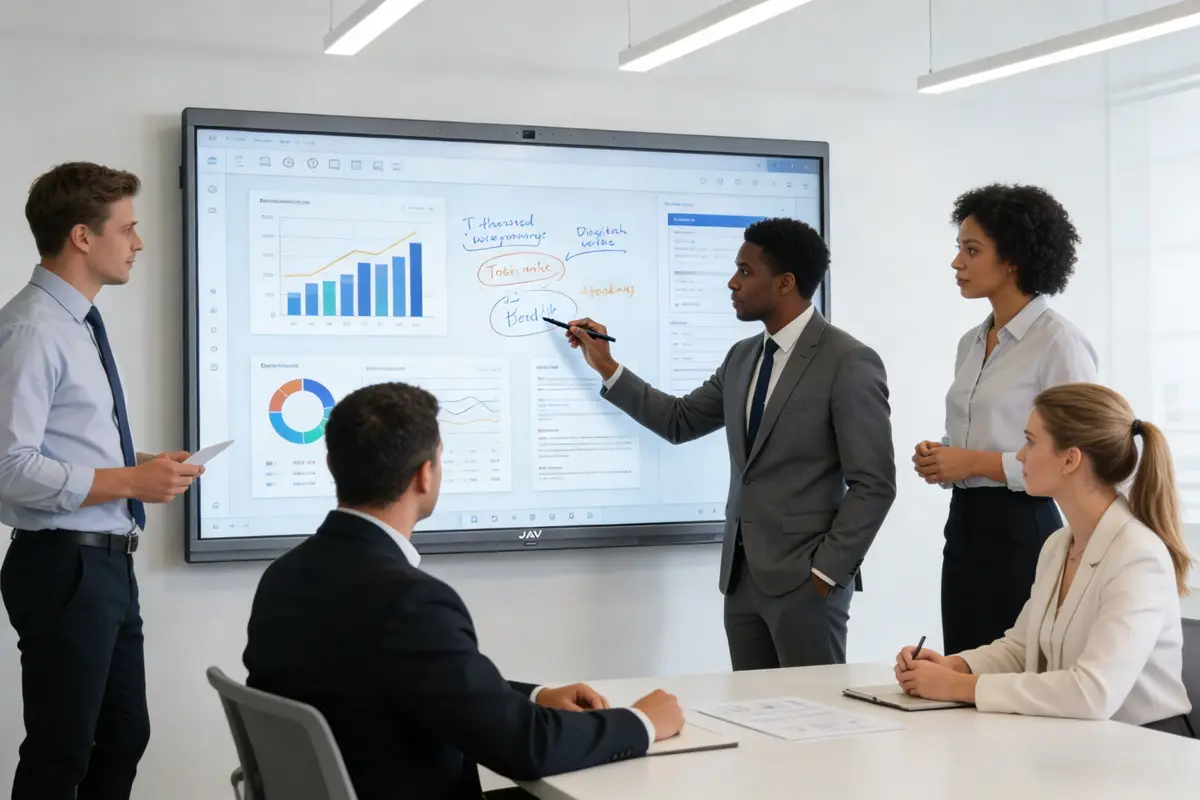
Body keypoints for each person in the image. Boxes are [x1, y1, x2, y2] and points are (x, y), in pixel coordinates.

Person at [243, 381, 685, 800]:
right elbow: (524, 747)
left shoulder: (284, 576)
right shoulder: (411, 602)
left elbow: (406, 679)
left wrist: (534, 695)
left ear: (331, 465)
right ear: (425, 475)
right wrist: (640, 721)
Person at [566, 217, 896, 671]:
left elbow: (874, 484)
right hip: (741, 583)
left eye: (745, 271)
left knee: (819, 725)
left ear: (785, 283)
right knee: (755, 721)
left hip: (807, 584)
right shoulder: (742, 357)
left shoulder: (849, 361)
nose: (732, 282)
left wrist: (825, 574)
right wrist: (606, 365)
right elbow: (679, 421)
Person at [0, 162, 204, 800]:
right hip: (64, 566)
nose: (138, 244)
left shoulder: (76, 323)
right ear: (83, 237)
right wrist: (127, 482)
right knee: (64, 751)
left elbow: (64, 441)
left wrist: (141, 466)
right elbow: (8, 466)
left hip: (105, 565)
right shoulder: (32, 328)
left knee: (122, 735)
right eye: (128, 229)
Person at [896, 383, 1194, 737]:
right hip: (1081, 742)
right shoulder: (1058, 544)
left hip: (1148, 751)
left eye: (1031, 441)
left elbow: (1093, 693)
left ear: (1071, 459)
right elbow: (1022, 648)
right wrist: (955, 666)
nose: (1020, 455)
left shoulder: (1138, 557)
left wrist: (960, 687)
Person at [913, 184, 1099, 655]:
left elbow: (1079, 456)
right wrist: (942, 456)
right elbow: (974, 434)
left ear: (1012, 259)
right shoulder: (970, 343)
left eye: (971, 250)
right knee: (961, 663)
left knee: (1018, 672)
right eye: (959, 248)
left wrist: (972, 462)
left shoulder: (1059, 343)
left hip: (1023, 529)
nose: (957, 262)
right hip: (964, 525)